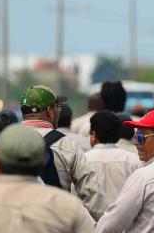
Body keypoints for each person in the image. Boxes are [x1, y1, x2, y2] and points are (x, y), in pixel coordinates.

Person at [19, 85, 105, 221]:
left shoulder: (4, 143)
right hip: (55, 226)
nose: (59, 111)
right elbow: (90, 191)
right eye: (57, 107)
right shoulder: (66, 144)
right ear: (49, 111)